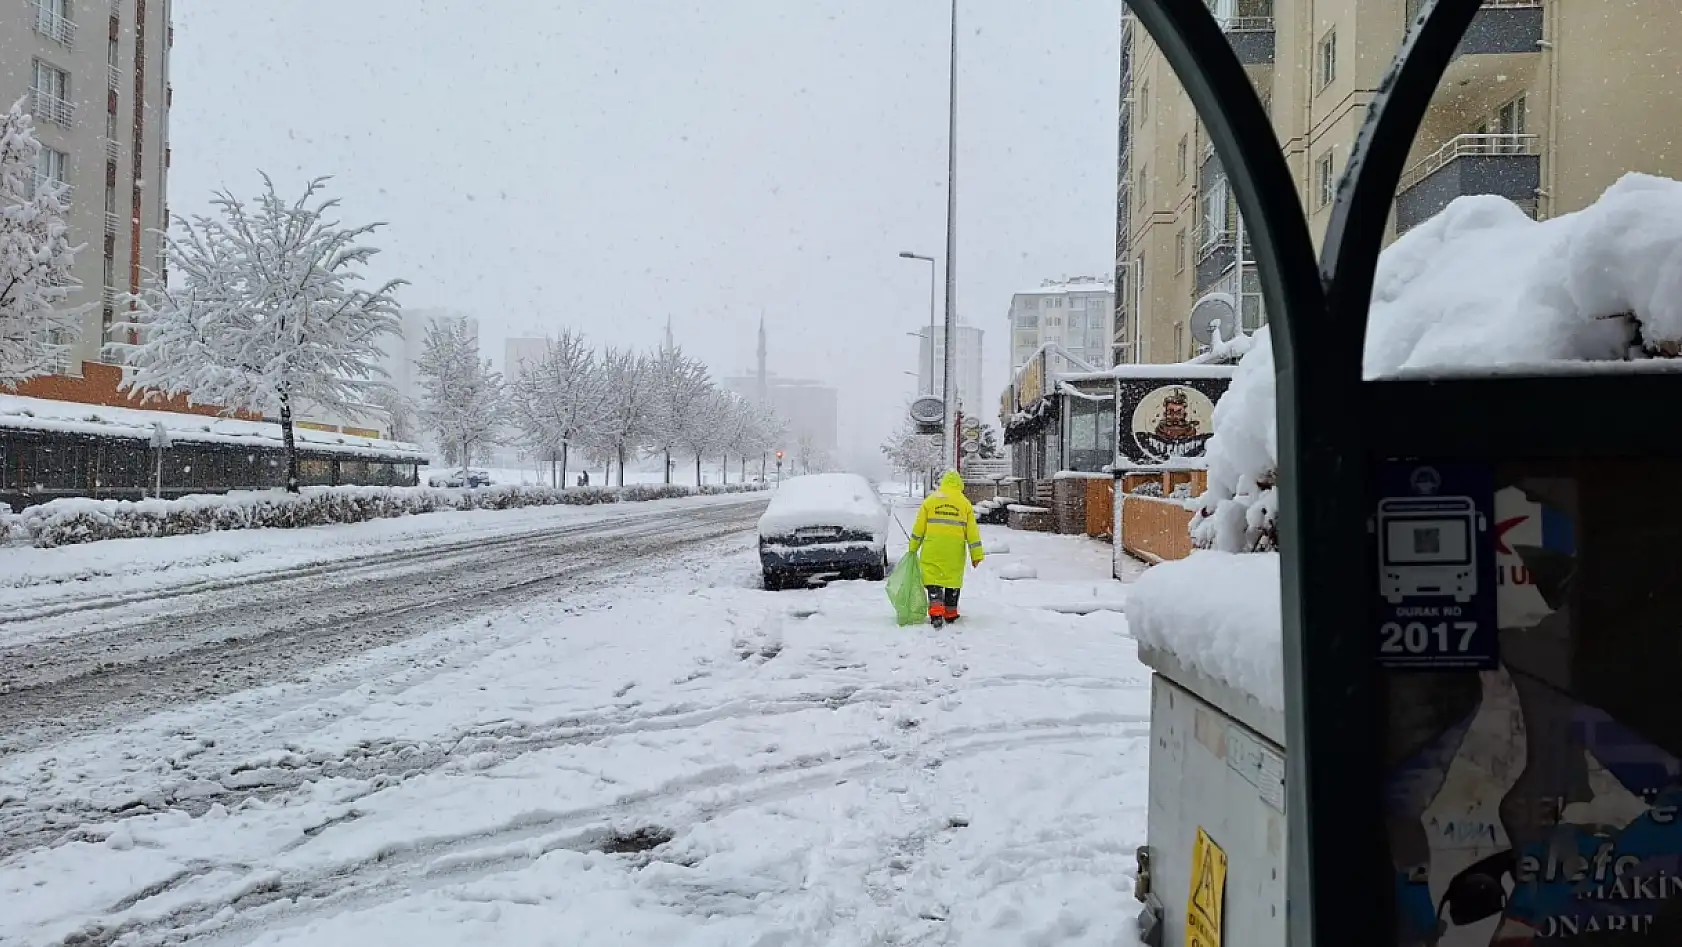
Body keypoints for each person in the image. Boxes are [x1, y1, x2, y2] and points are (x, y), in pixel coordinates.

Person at [907, 470, 985, 628]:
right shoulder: (964, 504)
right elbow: (972, 533)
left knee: (933, 580)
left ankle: (936, 612)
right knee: (952, 581)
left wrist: (913, 548)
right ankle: (950, 612)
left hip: (932, 549)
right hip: (954, 553)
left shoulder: (930, 501)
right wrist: (976, 555)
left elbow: (919, 528)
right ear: (959, 485)